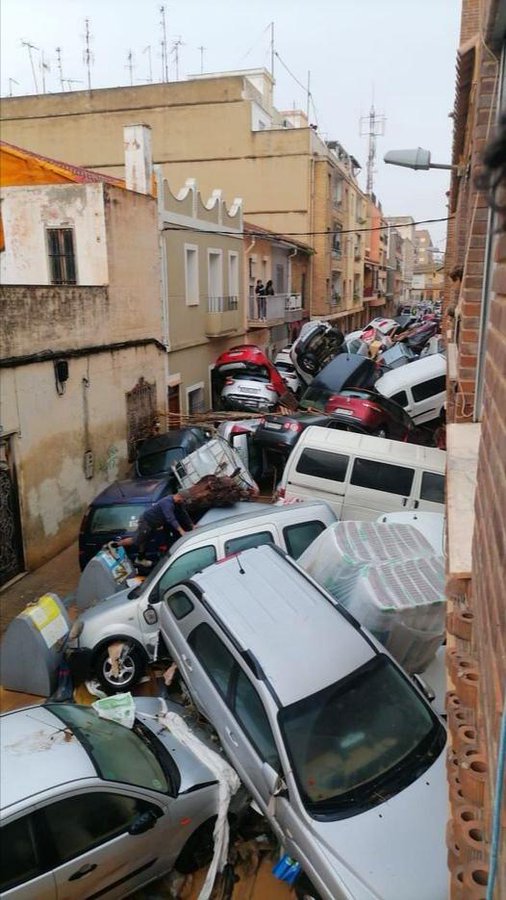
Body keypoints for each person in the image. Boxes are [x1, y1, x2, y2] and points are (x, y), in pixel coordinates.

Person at [118, 492, 194, 567]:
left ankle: (140, 559)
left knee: (145, 541)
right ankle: (115, 544)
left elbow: (183, 513)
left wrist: (192, 525)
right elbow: (170, 518)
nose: (184, 502)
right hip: (146, 522)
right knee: (136, 540)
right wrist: (181, 531)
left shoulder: (177, 503)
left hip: (154, 525)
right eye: (184, 500)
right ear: (180, 497)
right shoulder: (167, 503)